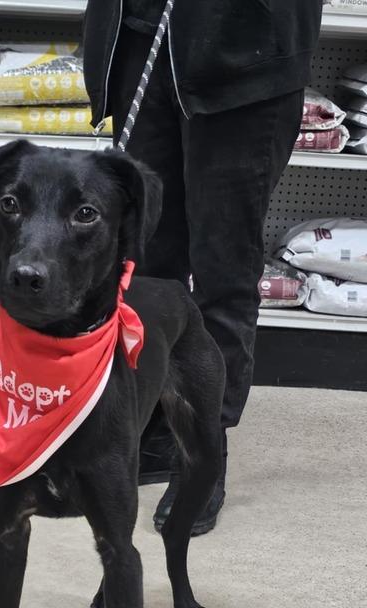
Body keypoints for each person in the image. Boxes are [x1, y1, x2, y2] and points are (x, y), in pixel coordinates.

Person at [83, 0, 322, 534]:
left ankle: (202, 448)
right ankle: (156, 427)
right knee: (143, 264)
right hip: (139, 36)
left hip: (244, 52)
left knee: (223, 266)